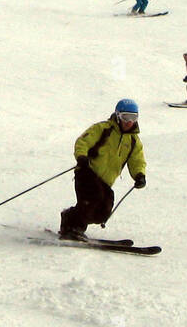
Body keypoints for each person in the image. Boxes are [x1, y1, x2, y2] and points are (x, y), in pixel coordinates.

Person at [59, 98, 147, 241]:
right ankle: (74, 228)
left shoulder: (133, 141)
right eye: (125, 117)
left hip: (105, 180)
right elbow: (83, 142)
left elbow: (137, 160)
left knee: (104, 210)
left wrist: (139, 175)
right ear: (118, 116)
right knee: (92, 198)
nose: (129, 121)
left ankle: (69, 217)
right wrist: (82, 157)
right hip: (87, 171)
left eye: (133, 117)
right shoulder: (103, 129)